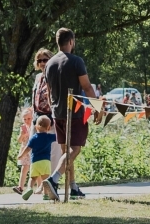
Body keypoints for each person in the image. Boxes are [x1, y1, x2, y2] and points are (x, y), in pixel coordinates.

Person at [45, 27, 99, 199]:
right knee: (74, 150)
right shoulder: (76, 61)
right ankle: (53, 179)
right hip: (74, 113)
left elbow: (48, 91)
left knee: (66, 152)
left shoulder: (49, 63)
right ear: (71, 42)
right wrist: (97, 108)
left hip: (57, 112)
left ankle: (73, 187)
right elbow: (87, 87)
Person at [20, 115, 60, 201]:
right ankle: (45, 195)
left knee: (32, 178)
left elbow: (27, 148)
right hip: (45, 161)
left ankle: (29, 188)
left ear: (36, 126)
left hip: (35, 162)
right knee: (45, 180)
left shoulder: (33, 138)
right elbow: (59, 137)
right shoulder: (49, 137)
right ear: (49, 128)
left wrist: (21, 155)